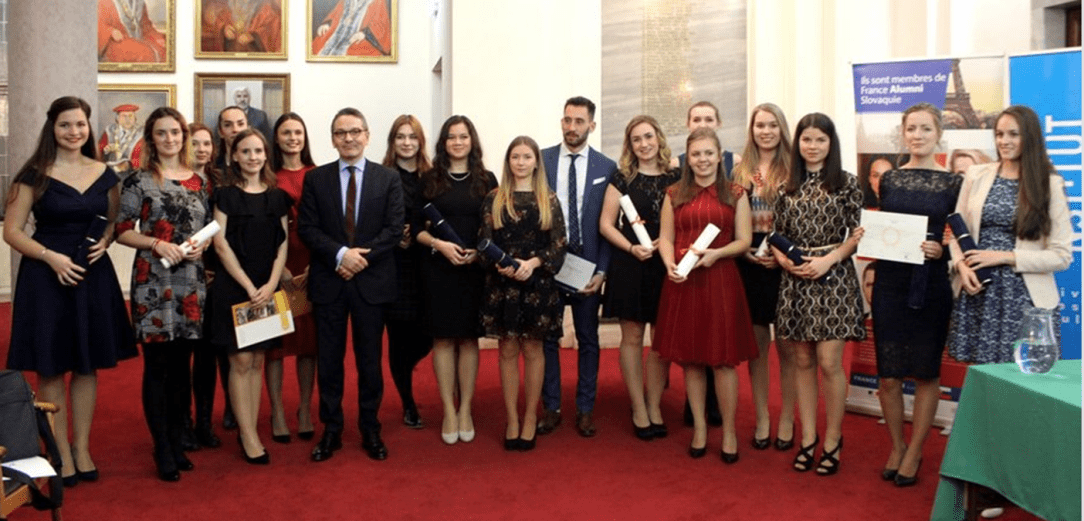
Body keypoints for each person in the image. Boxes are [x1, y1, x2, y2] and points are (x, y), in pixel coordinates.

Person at [3, 96, 137, 487]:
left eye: (80, 124)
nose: (74, 132)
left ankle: (82, 448)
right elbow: (12, 231)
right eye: (66, 125)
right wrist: (51, 257)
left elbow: (113, 222)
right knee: (50, 366)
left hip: (92, 276)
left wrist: (108, 239)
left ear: (88, 127)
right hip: (47, 278)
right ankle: (58, 449)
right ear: (53, 128)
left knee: (86, 364)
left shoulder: (104, 173)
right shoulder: (34, 174)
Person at [298, 107, 403, 462]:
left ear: (367, 135)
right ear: (332, 139)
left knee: (370, 361)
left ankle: (370, 428)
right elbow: (308, 229)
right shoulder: (316, 179)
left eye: (355, 131)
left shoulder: (387, 178)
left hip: (371, 284)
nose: (349, 138)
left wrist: (361, 259)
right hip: (330, 281)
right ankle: (332, 429)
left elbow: (393, 230)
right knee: (329, 360)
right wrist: (342, 255)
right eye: (341, 133)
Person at [116, 107, 212, 482]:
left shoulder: (199, 181)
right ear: (151, 138)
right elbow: (122, 230)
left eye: (176, 132)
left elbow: (204, 229)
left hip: (191, 280)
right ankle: (162, 447)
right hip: (154, 281)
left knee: (182, 368)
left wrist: (201, 247)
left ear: (184, 136)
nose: (170, 139)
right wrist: (156, 243)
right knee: (157, 367)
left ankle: (177, 437)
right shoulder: (138, 181)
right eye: (162, 133)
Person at [872, 103, 963, 487]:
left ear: (938, 133)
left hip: (931, 285)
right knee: (889, 376)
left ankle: (916, 449)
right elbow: (883, 227)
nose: (918, 135)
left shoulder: (954, 183)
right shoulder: (890, 179)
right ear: (903, 132)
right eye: (912, 128)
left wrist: (942, 249)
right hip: (891, 283)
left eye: (926, 129)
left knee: (926, 372)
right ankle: (896, 444)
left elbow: (962, 235)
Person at [655, 128, 758, 461]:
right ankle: (699, 427)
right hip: (683, 283)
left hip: (720, 281)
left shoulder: (736, 193)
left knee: (724, 362)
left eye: (708, 153)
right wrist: (669, 262)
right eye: (696, 154)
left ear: (719, 155)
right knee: (691, 361)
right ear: (688, 158)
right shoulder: (673, 193)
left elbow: (744, 240)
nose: (702, 160)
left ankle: (728, 431)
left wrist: (717, 254)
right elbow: (666, 237)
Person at [771, 113, 865, 476]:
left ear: (831, 143)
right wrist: (784, 261)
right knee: (802, 362)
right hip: (795, 282)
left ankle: (833, 439)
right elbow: (776, 235)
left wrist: (828, 260)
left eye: (820, 140)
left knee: (829, 362)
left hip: (834, 277)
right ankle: (808, 437)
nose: (812, 146)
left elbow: (857, 236)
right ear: (798, 144)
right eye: (806, 140)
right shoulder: (785, 187)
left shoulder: (847, 184)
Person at [948, 105, 1071, 364]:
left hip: (1024, 297)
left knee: (1020, 380)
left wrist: (1004, 257)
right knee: (980, 377)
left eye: (1013, 134)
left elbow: (1061, 257)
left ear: (1030, 137)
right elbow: (957, 232)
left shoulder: (1050, 184)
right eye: (999, 134)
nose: (1004, 141)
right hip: (978, 291)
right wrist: (961, 267)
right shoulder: (976, 174)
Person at [208, 128, 290, 465]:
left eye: (258, 151)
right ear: (234, 156)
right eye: (246, 151)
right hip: (234, 286)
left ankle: (252, 427)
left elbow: (282, 242)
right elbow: (220, 242)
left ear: (265, 155)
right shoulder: (224, 195)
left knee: (258, 360)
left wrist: (271, 283)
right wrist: (247, 285)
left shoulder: (278, 197)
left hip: (268, 287)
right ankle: (248, 435)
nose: (253, 157)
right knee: (240, 361)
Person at [413, 115, 496, 445]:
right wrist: (439, 244)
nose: (458, 142)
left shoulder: (486, 179)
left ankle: (466, 410)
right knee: (444, 340)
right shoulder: (430, 179)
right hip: (439, 270)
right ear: (443, 143)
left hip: (474, 271)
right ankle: (449, 409)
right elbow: (416, 229)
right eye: (451, 137)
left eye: (463, 136)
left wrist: (479, 251)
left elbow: (496, 225)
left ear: (472, 141)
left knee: (468, 340)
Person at [481, 136, 567, 451]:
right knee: (506, 351)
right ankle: (512, 419)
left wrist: (531, 263)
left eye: (526, 156)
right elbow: (484, 240)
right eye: (515, 157)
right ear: (508, 162)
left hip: (537, 284)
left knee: (533, 350)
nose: (520, 162)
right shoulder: (494, 197)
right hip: (503, 285)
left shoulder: (549, 198)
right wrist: (500, 264)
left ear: (535, 161)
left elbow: (559, 244)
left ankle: (530, 416)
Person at [539, 97, 618, 437]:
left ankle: (585, 408)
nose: (572, 127)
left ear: (592, 126)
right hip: (549, 264)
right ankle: (551, 406)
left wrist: (602, 270)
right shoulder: (542, 160)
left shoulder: (606, 167)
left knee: (588, 339)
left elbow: (609, 225)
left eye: (579, 121)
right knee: (547, 339)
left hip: (587, 264)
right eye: (567, 120)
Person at [599, 115, 681, 439]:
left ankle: (654, 402)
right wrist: (632, 248)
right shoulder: (623, 177)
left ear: (658, 138)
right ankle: (638, 407)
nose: (644, 144)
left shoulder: (676, 177)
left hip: (665, 264)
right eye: (637, 139)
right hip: (631, 264)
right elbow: (606, 224)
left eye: (648, 136)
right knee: (632, 339)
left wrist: (668, 241)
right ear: (629, 145)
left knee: (662, 343)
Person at [730, 102, 797, 451]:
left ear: (781, 129)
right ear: (752, 130)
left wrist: (782, 254)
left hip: (784, 263)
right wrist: (743, 251)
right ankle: (762, 417)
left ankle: (786, 417)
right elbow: (730, 219)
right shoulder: (740, 170)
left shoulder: (795, 168)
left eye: (773, 125)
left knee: (787, 349)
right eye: (760, 125)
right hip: (748, 262)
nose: (766, 131)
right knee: (757, 349)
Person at [264, 113, 318, 444]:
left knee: (308, 345)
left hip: (311, 267)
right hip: (278, 266)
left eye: (298, 131)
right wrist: (277, 268)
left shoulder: (318, 174)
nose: (293, 137)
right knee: (277, 344)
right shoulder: (268, 176)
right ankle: (278, 412)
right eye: (286, 132)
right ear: (277, 138)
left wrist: (317, 265)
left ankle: (304, 410)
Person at [380, 115, 434, 429]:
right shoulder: (381, 175)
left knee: (426, 337)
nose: (406, 143)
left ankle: (405, 369)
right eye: (400, 137)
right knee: (399, 339)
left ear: (420, 141)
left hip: (426, 264)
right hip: (393, 266)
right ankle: (408, 402)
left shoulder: (430, 176)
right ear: (392, 141)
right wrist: (392, 236)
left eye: (412, 137)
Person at [182, 122, 225, 450]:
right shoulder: (176, 181)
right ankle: (182, 421)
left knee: (209, 356)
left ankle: (205, 422)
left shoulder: (221, 182)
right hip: (184, 275)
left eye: (207, 143)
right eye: (194, 143)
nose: (201, 149)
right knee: (184, 357)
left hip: (217, 277)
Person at [312, 0, 393, 57]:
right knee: (318, 45)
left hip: (360, 39)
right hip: (337, 35)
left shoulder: (378, 1)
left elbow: (381, 26)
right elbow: (335, 14)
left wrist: (364, 34)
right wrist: (327, 24)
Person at [200, 0, 282, 54]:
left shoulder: (266, 6)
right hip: (229, 60)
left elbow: (273, 27)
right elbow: (217, 21)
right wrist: (224, 29)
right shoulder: (229, 4)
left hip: (256, 59)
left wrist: (254, 36)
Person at [97, 0, 167, 63]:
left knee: (164, 49)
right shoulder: (105, 1)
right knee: (145, 53)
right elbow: (95, 26)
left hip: (137, 40)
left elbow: (146, 27)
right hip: (116, 43)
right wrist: (111, 31)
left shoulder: (138, 2)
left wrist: (157, 37)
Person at [98, 103, 144, 175]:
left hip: (133, 174)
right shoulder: (109, 130)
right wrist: (106, 150)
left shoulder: (142, 134)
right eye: (124, 116)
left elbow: (145, 157)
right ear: (117, 118)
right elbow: (98, 152)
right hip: (109, 171)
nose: (127, 119)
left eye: (130, 116)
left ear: (135, 118)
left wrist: (129, 164)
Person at [215, 105, 249, 172]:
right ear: (220, 132)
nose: (235, 130)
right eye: (228, 125)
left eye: (240, 124)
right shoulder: (213, 167)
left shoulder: (261, 164)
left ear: (248, 128)